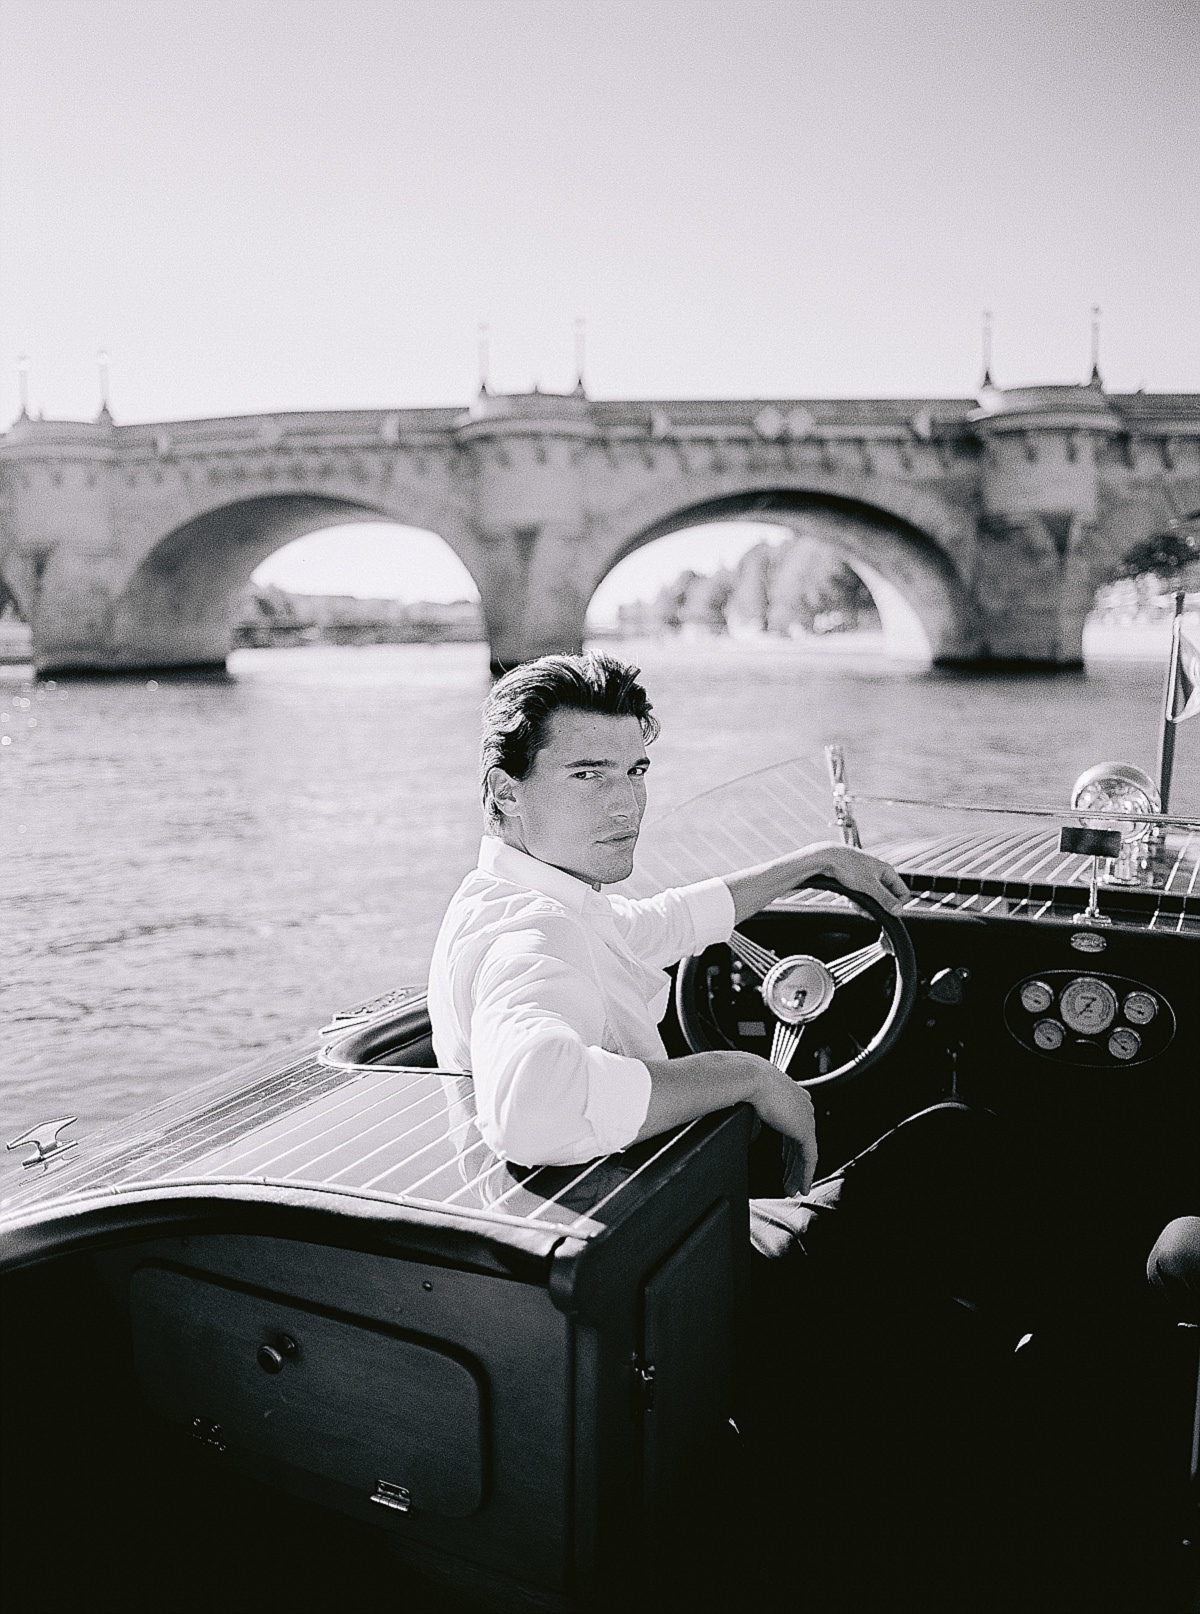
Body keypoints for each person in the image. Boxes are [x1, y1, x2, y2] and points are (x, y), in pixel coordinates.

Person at [429, 651, 1002, 1317]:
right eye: (588, 775)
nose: (626, 803)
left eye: (635, 771)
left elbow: (661, 922)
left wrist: (812, 862)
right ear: (506, 792)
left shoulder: (523, 896)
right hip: (651, 1271)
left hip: (607, 1235)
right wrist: (747, 1074)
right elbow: (535, 1109)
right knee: (953, 1141)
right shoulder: (531, 933)